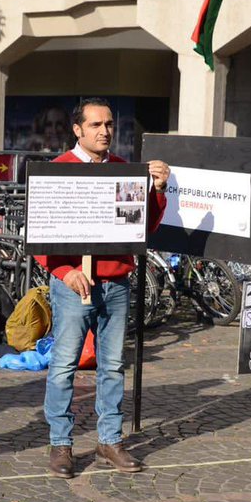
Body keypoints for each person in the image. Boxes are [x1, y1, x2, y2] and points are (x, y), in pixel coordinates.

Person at [34, 98, 170, 479]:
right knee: (63, 367)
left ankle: (109, 439)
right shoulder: (56, 171)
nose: (105, 131)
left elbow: (144, 228)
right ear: (78, 129)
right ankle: (61, 443)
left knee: (112, 367)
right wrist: (63, 271)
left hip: (117, 283)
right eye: (96, 125)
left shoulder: (125, 171)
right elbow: (41, 236)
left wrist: (157, 189)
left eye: (109, 124)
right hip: (74, 285)